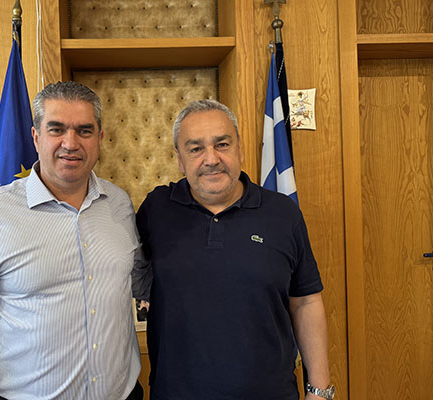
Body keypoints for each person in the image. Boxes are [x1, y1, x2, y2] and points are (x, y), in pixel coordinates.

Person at [0, 81, 143, 400]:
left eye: (84, 131)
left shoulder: (120, 204)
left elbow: (137, 279)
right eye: (56, 129)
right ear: (36, 137)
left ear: (99, 138)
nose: (70, 143)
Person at [132, 99, 333, 399]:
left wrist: (319, 391)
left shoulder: (282, 213)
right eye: (195, 148)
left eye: (222, 144)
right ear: (180, 160)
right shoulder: (157, 209)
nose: (211, 159)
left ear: (239, 149)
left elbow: (306, 302)